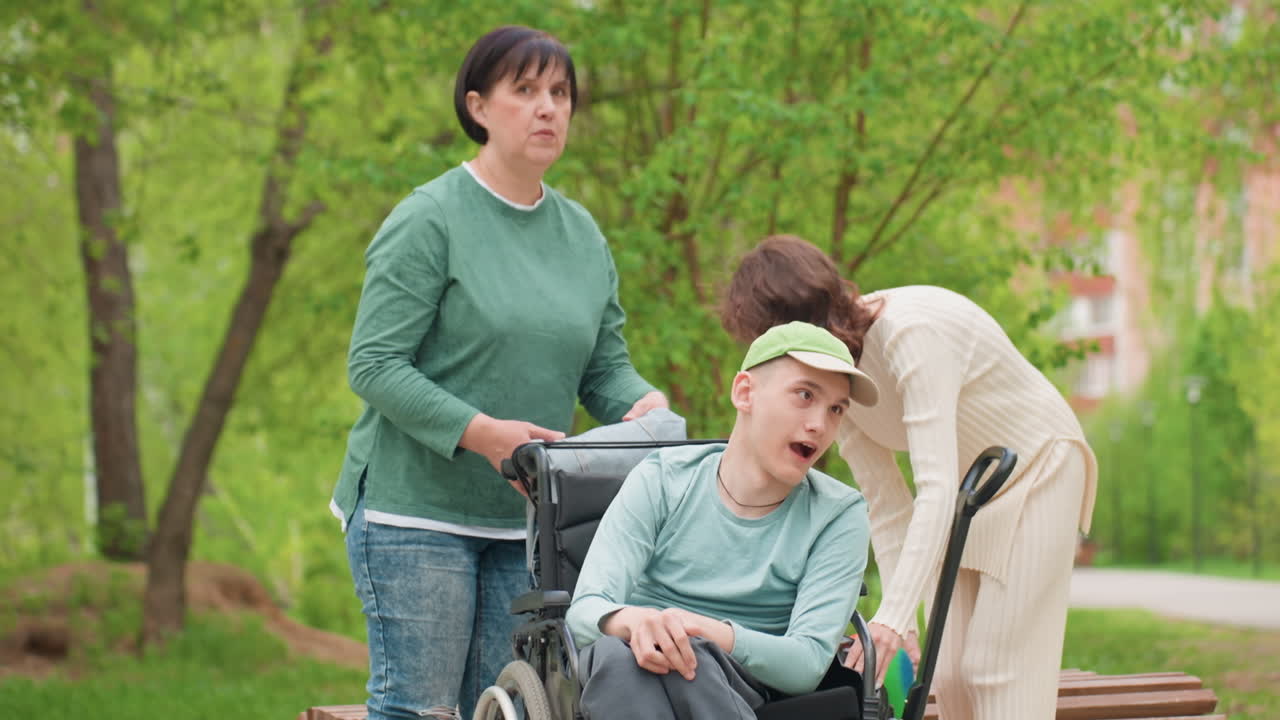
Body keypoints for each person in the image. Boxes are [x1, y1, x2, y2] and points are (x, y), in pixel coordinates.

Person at [330, 26, 668, 720]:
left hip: (530, 525)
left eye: (560, 93)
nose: (549, 108)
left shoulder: (583, 236)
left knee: (516, 709)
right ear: (479, 107)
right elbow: (373, 364)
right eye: (527, 91)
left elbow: (603, 370)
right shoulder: (430, 219)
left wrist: (641, 403)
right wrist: (482, 433)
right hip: (413, 515)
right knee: (416, 709)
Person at [720, 235, 1098, 720]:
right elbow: (888, 507)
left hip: (1040, 469)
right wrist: (907, 629)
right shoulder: (837, 380)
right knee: (951, 675)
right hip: (974, 498)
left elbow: (934, 487)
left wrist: (893, 618)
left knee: (995, 669)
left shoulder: (909, 334)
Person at [566, 322, 877, 720]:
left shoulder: (839, 514)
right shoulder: (662, 477)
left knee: (683, 659)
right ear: (745, 393)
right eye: (805, 395)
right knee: (617, 654)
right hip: (633, 661)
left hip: (746, 686)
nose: (820, 424)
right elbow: (585, 611)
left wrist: (698, 630)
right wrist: (638, 621)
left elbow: (806, 663)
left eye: (836, 409)